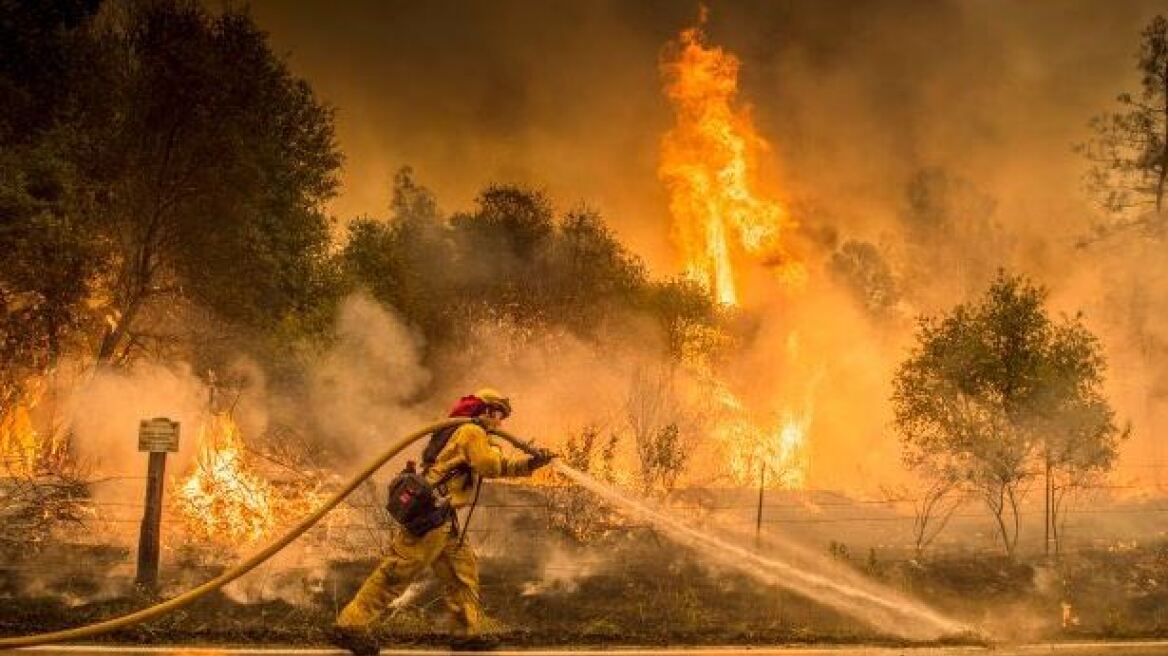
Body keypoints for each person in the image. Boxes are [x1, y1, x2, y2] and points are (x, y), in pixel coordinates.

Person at [332, 388, 554, 654]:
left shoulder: (464, 432)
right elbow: (489, 466)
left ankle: (465, 633)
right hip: (430, 519)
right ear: (484, 411)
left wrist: (531, 465)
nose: (500, 423)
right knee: (397, 572)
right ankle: (350, 626)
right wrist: (493, 442)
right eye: (498, 415)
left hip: (443, 519)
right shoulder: (472, 432)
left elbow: (498, 467)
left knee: (462, 573)